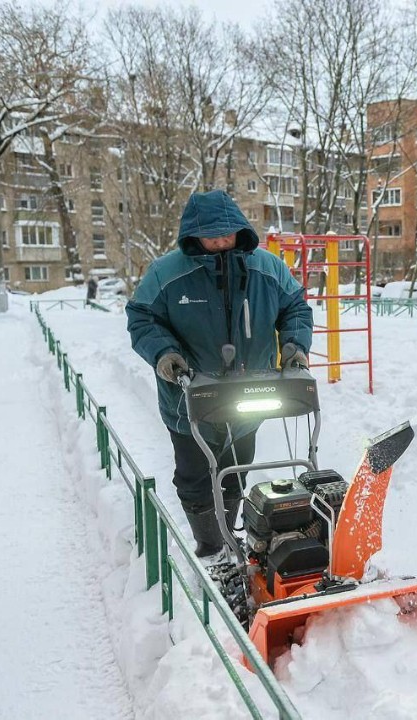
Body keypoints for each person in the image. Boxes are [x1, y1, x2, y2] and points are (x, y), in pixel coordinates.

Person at [126, 189, 313, 560]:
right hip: (189, 397)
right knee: (194, 475)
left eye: (227, 234)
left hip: (251, 393)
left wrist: (294, 346)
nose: (221, 242)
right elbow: (142, 318)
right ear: (193, 235)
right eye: (212, 237)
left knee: (236, 469)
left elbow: (295, 307)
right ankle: (210, 545)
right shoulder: (167, 273)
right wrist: (165, 354)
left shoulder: (267, 268)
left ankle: (231, 539)